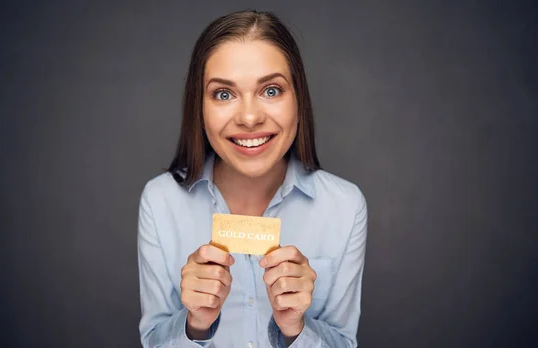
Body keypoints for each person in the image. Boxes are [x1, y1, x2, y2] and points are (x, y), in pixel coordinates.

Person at [137, 9, 367, 348]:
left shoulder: (345, 207)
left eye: (271, 90)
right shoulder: (160, 201)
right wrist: (195, 324)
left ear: (298, 99)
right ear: (198, 107)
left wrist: (295, 328)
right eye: (224, 94)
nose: (248, 118)